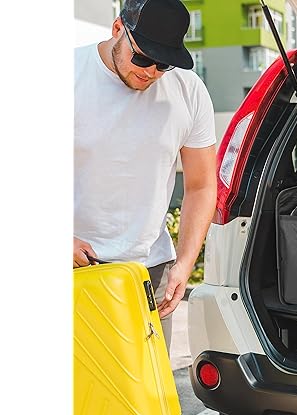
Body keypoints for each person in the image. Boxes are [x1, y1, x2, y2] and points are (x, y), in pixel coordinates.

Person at [74, 0, 217, 352]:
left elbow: (201, 185)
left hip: (150, 274)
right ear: (117, 29)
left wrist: (184, 264)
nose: (152, 71)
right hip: (73, 268)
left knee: (150, 386)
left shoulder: (189, 91)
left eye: (164, 63)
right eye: (142, 58)